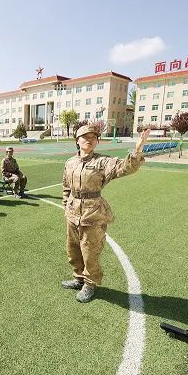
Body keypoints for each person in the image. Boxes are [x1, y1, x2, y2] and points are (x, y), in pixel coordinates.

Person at [61, 125, 149, 303]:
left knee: (90, 251)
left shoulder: (102, 162)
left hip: (93, 213)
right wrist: (66, 206)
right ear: (77, 141)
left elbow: (125, 167)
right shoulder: (70, 163)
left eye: (93, 137)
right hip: (72, 212)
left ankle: (90, 284)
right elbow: (66, 187)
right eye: (85, 136)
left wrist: (138, 147)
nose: (90, 139)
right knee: (73, 250)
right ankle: (78, 278)